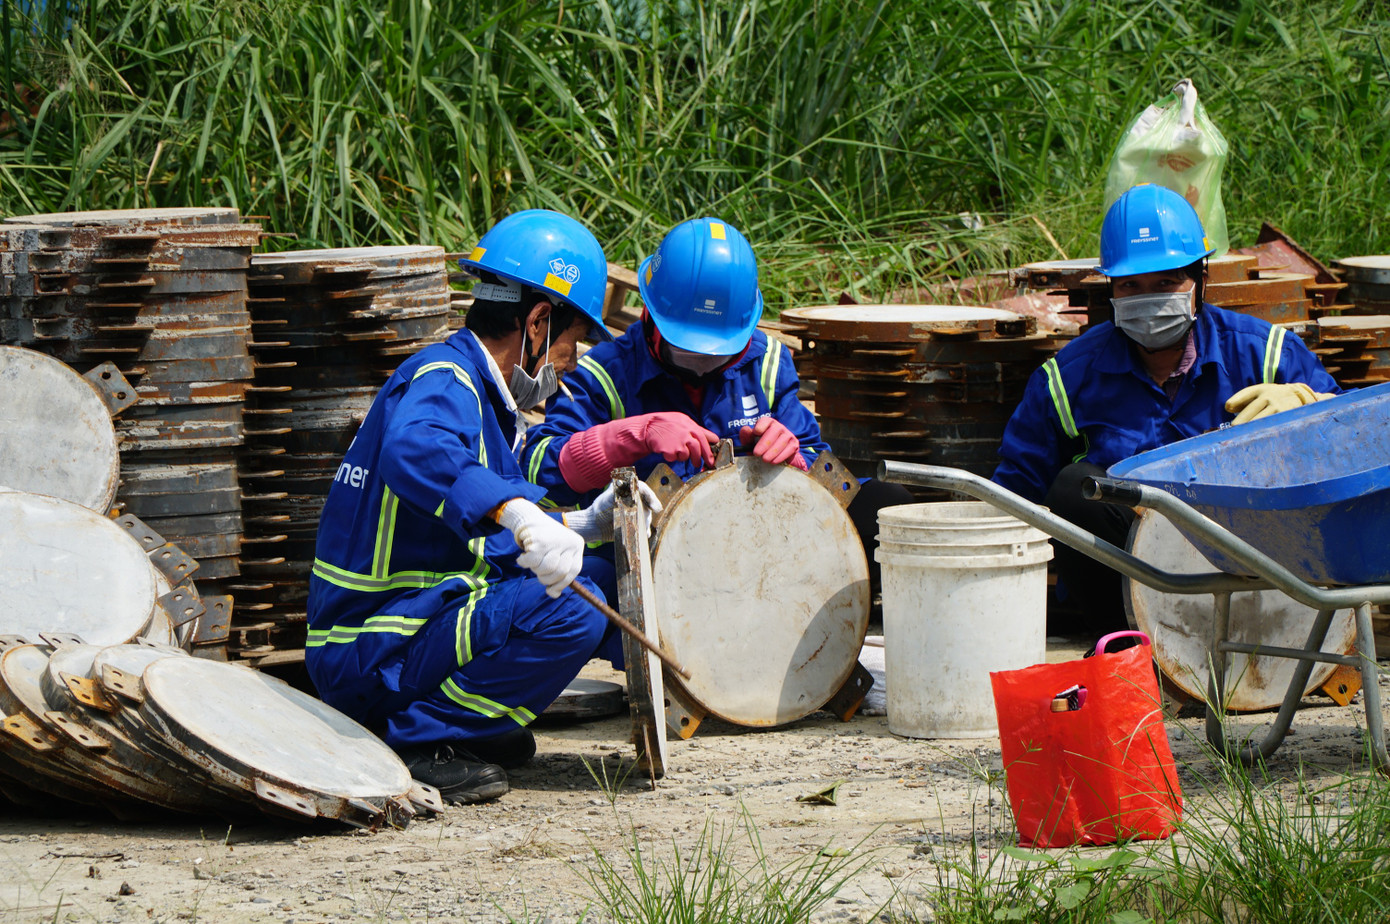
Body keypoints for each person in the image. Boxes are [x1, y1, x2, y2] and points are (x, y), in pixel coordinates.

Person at [306, 209, 658, 805]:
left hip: (401, 628)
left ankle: (468, 725)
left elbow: (481, 529)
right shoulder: (445, 380)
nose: (568, 365)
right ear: (540, 321)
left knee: (596, 577)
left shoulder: (485, 402)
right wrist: (521, 514)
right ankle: (413, 739)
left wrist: (580, 523)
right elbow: (418, 448)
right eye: (571, 344)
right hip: (371, 644)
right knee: (577, 609)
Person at [992, 184, 1339, 633]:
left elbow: (1355, 433)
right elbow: (1012, 500)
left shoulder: (1266, 356)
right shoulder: (1067, 380)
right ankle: (1124, 654)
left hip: (1255, 565)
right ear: (1111, 290)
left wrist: (1310, 403)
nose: (1148, 299)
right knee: (1075, 488)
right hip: (1129, 577)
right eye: (1131, 286)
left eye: (1165, 282)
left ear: (1200, 280)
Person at [520, 216, 913, 602]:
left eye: (720, 351)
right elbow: (538, 470)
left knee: (885, 507)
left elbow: (813, 454)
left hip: (764, 551)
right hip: (657, 564)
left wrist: (796, 459)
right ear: (652, 316)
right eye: (687, 348)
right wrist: (632, 435)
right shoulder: (601, 374)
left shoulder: (768, 363)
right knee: (579, 585)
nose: (704, 362)